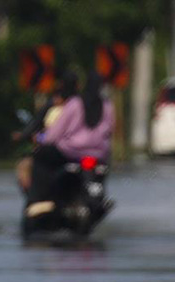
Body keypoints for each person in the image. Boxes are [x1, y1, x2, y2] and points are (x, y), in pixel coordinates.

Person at [25, 71, 114, 217]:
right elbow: (110, 130)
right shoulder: (107, 106)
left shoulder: (75, 104)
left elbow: (55, 133)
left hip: (70, 152)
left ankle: (36, 200)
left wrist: (41, 139)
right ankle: (99, 197)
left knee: (40, 157)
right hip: (99, 155)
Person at [12, 72, 79, 192]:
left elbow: (52, 134)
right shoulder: (84, 105)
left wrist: (34, 137)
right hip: (81, 151)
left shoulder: (63, 107)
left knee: (26, 166)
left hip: (60, 151)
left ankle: (34, 198)